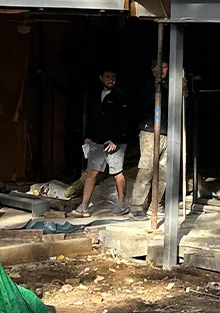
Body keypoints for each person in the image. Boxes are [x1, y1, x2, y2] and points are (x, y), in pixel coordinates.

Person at [73, 68, 130, 216]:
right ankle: (84, 205)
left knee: (117, 172)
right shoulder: (96, 96)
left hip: (114, 142)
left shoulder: (121, 96)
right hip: (98, 140)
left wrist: (116, 140)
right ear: (101, 78)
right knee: (91, 172)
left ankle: (121, 204)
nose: (110, 80)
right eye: (107, 77)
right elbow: (94, 119)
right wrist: (89, 136)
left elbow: (125, 121)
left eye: (113, 77)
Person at [130, 60, 182, 215]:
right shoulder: (146, 85)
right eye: (160, 67)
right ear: (153, 69)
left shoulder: (171, 85)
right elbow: (143, 103)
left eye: (165, 67)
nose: (163, 70)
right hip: (150, 131)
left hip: (169, 131)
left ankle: (156, 203)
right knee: (147, 169)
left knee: (164, 171)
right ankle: (137, 206)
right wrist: (156, 87)